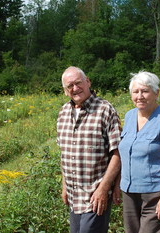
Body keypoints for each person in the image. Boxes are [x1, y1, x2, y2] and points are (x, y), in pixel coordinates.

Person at [57, 66, 122, 233]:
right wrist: (65, 185)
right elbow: (65, 154)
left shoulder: (105, 109)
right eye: (70, 86)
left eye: (78, 83)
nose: (75, 88)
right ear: (65, 91)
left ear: (88, 82)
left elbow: (117, 153)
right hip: (74, 196)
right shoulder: (63, 112)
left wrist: (104, 188)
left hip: (95, 196)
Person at [118, 71, 160, 233]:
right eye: (135, 92)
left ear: (156, 93)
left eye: (145, 91)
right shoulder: (129, 116)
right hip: (129, 193)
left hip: (157, 193)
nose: (139, 96)